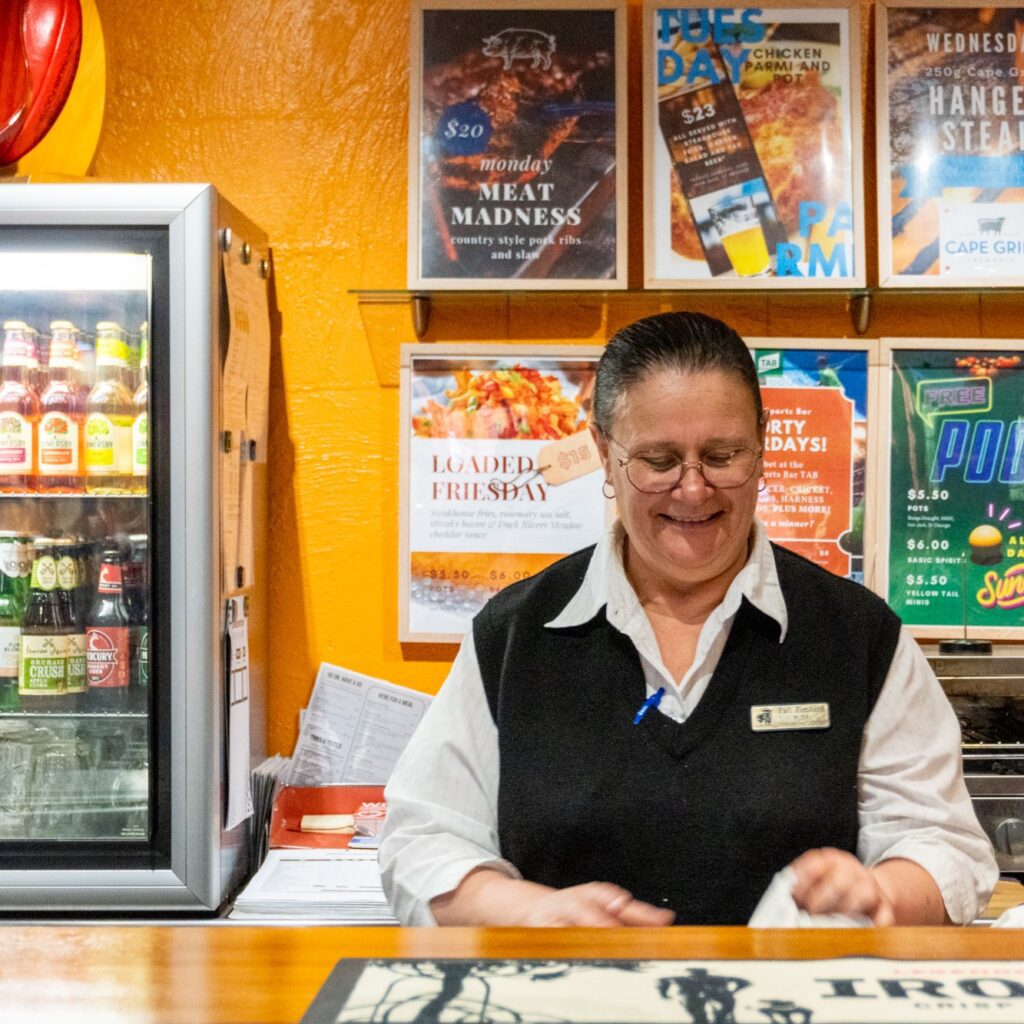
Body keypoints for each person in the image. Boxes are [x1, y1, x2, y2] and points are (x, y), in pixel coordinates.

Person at [380, 312, 997, 928]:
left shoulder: (859, 637)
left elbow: (943, 846)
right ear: (603, 452)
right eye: (658, 460)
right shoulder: (512, 637)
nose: (694, 489)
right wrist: (532, 911)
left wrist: (880, 893)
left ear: (763, 442)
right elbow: (423, 842)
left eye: (723, 455)